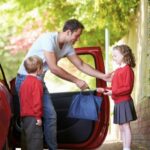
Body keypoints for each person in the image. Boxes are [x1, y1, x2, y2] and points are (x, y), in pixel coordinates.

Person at [15, 19, 109, 150]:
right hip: (26, 80)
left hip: (39, 80)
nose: (78, 39)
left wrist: (103, 76)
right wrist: (76, 80)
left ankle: (52, 148)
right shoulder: (48, 39)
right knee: (30, 119)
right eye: (77, 35)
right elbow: (53, 68)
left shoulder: (67, 47)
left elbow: (81, 64)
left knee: (51, 116)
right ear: (68, 32)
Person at [97, 44, 137, 150]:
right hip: (118, 102)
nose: (113, 58)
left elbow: (127, 88)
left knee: (125, 126)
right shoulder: (118, 70)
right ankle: (125, 147)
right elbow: (115, 87)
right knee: (121, 127)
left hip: (124, 102)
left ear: (124, 55)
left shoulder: (127, 70)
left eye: (115, 56)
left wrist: (112, 92)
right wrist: (105, 89)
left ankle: (127, 148)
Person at [19, 56, 43, 150]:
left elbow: (22, 100)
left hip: (25, 117)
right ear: (38, 69)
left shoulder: (24, 83)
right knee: (35, 142)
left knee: (26, 141)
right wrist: (38, 117)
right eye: (42, 67)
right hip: (33, 117)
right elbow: (37, 101)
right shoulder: (36, 83)